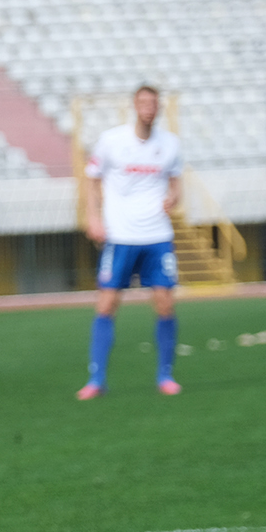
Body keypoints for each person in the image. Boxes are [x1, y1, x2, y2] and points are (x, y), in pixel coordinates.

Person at [78, 84, 184, 399]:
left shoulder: (170, 145)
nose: (148, 107)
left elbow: (176, 186)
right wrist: (93, 218)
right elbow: (92, 181)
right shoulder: (112, 141)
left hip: (157, 236)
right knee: (107, 303)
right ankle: (97, 380)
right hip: (121, 236)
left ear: (159, 108)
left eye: (153, 103)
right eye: (143, 102)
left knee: (165, 303)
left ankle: (165, 375)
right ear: (134, 106)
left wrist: (172, 198)